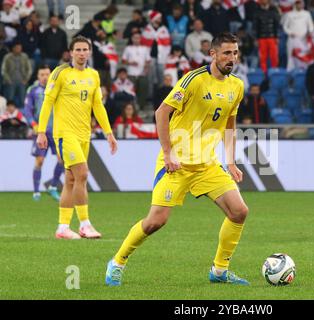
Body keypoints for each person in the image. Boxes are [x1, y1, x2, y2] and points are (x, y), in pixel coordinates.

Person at [105, 32, 249, 286]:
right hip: (177, 164)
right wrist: (168, 153)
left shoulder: (236, 86)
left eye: (235, 53)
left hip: (207, 165)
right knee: (155, 222)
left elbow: (229, 124)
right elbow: (162, 112)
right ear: (212, 54)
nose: (232, 58)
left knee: (239, 212)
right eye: (226, 52)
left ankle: (219, 271)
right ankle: (117, 262)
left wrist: (231, 161)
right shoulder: (193, 80)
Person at [36, 36, 118, 240]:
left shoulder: (94, 75)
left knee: (71, 180)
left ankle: (63, 227)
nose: (82, 53)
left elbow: (97, 106)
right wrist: (40, 131)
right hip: (65, 133)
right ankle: (85, 224)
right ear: (70, 52)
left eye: (85, 49)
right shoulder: (60, 73)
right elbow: (48, 102)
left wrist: (108, 132)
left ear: (89, 52)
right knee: (82, 174)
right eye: (78, 50)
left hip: (84, 134)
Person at [24, 65, 64, 202]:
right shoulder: (33, 90)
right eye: (42, 74)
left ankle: (53, 187)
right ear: (38, 76)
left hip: (57, 130)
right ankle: (36, 191)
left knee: (62, 159)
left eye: (47, 74)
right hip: (40, 131)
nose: (45, 77)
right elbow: (27, 110)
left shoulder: (58, 88)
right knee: (40, 161)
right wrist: (34, 124)